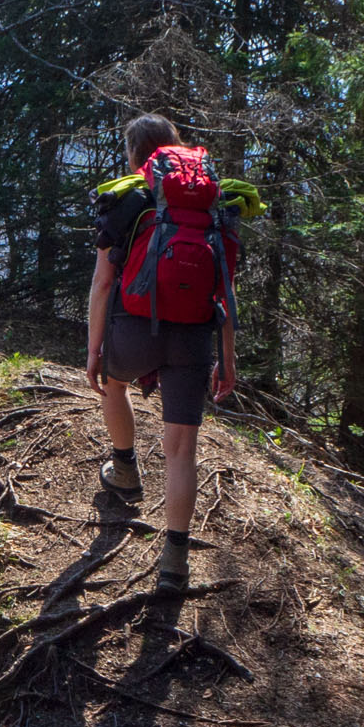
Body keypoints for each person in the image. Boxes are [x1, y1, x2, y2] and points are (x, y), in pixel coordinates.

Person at [86, 114, 237, 590]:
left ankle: (126, 468)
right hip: (193, 336)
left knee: (113, 381)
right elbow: (225, 291)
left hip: (134, 330)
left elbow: (103, 283)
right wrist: (227, 360)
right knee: (182, 451)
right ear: (175, 148)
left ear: (135, 155)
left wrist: (95, 350)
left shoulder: (128, 199)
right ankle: (175, 560)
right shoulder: (216, 205)